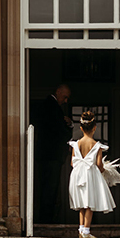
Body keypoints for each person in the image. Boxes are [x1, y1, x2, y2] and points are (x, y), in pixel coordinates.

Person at [69, 109, 115, 238]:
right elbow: (99, 164)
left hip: (77, 175)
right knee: (89, 203)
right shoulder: (96, 145)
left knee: (82, 204)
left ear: (81, 128)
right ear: (94, 128)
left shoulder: (75, 144)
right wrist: (104, 171)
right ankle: (86, 231)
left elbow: (73, 162)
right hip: (90, 175)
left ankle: (81, 229)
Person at [33, 84, 72, 224]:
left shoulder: (50, 106)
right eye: (65, 97)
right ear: (58, 91)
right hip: (51, 156)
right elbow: (59, 131)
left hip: (47, 155)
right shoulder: (52, 107)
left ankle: (46, 218)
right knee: (50, 188)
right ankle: (46, 219)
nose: (66, 101)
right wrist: (68, 126)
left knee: (48, 187)